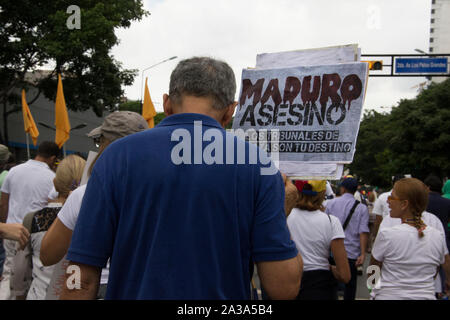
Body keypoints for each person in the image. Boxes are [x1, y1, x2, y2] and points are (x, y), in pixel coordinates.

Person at [60, 57, 302, 300]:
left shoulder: (115, 157)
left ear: (166, 104)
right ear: (230, 110)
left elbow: (80, 276)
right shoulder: (259, 166)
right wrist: (281, 211)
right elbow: (283, 289)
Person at [40, 111, 149, 299]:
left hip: (93, 286)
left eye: (99, 142)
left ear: (106, 146)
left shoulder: (84, 195)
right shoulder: (158, 196)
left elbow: (48, 254)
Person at [12, 155, 86, 300]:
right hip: (78, 293)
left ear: (55, 183)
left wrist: (18, 293)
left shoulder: (33, 219)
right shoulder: (92, 218)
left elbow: (20, 268)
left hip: (40, 294)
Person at [370, 178, 449, 300]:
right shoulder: (437, 235)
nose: (388, 201)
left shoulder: (387, 234)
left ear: (404, 204)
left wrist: (373, 290)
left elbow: (373, 269)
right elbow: (441, 266)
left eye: (392, 198)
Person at [0, 141, 59, 299]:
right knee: (35, 276)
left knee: (9, 273)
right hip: (36, 235)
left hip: (12, 231)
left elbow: (3, 202)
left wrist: (4, 227)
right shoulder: (52, 178)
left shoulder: (14, 171)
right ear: (53, 158)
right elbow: (51, 207)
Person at [287, 180, 350, 300]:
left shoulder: (284, 218)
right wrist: (331, 268)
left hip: (288, 283)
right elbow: (344, 275)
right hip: (320, 287)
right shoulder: (332, 221)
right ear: (322, 194)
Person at [325, 177, 369, 300]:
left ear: (343, 188)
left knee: (330, 287)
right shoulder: (362, 208)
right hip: (351, 254)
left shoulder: (330, 203)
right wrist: (362, 253)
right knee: (350, 287)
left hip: (331, 252)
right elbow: (363, 232)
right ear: (355, 190)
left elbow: (324, 226)